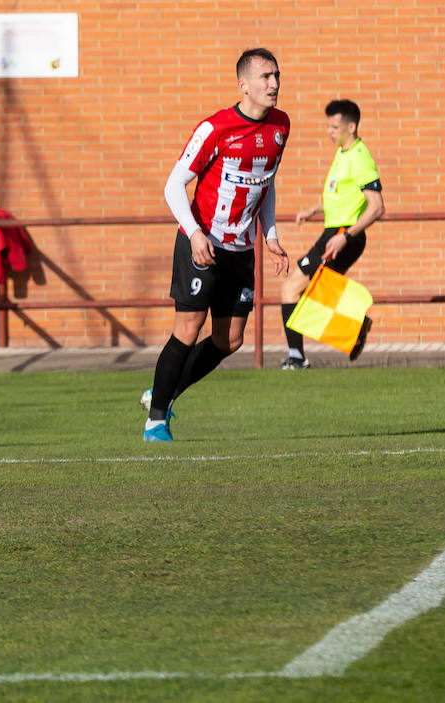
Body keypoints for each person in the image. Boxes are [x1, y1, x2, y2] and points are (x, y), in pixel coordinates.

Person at [142, 48, 291, 442]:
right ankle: (156, 419)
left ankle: (163, 391)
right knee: (188, 329)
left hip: (241, 251)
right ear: (244, 85)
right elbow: (174, 185)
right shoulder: (215, 128)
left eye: (276, 76)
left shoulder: (281, 126)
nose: (274, 84)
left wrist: (271, 236)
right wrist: (193, 233)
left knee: (231, 340)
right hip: (202, 243)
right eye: (265, 77)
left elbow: (266, 183)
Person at [278, 99, 384, 368]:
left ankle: (298, 356)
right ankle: (354, 326)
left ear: (352, 126)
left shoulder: (360, 158)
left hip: (341, 235)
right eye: (327, 126)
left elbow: (376, 207)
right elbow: (340, 196)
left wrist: (345, 237)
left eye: (334, 127)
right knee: (307, 289)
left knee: (293, 288)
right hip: (334, 232)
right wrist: (313, 209)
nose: (329, 132)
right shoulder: (342, 153)